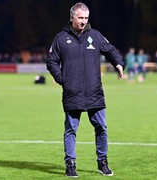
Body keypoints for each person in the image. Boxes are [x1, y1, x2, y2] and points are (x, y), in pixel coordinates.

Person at [46, 2, 124, 178]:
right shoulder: (60, 39)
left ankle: (102, 162)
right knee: (71, 130)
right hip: (72, 92)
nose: (83, 21)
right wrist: (62, 79)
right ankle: (70, 164)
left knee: (101, 127)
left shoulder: (95, 36)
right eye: (80, 18)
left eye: (86, 18)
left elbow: (110, 50)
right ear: (72, 17)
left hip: (94, 91)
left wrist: (118, 63)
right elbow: (51, 61)